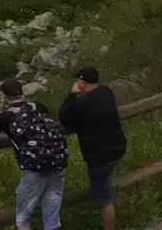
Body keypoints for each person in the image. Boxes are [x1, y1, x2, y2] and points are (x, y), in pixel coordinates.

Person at [0, 78, 69, 230]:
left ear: (5, 97)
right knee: (52, 218)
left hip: (34, 169)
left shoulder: (4, 118)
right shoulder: (39, 107)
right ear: (22, 93)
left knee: (23, 218)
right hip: (57, 163)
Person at [60, 65, 129, 230]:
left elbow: (63, 116)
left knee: (105, 200)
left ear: (82, 82)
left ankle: (109, 227)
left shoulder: (81, 103)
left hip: (99, 156)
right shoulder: (107, 92)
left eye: (78, 80)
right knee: (106, 184)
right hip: (117, 148)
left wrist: (71, 95)